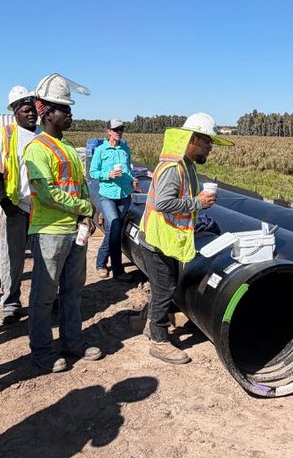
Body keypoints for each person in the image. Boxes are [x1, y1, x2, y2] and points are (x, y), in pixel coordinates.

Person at [23, 74, 103, 372]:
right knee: (44, 297)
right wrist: (84, 206)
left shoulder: (68, 146)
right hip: (50, 233)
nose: (70, 114)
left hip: (74, 231)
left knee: (73, 291)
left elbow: (79, 184)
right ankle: (42, 351)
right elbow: (45, 192)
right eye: (64, 109)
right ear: (47, 111)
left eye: (69, 109)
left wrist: (87, 213)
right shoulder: (37, 148)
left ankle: (72, 341)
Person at [139, 113, 231, 364]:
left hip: (169, 238)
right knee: (165, 287)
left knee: (165, 286)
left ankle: (153, 326)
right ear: (192, 140)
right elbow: (164, 202)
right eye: (207, 143)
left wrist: (198, 206)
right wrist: (196, 203)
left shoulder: (186, 166)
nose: (209, 149)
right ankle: (158, 340)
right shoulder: (173, 167)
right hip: (158, 240)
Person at [0, 85, 38, 324]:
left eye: (33, 109)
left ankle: (44, 300)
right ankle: (10, 303)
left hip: (42, 209)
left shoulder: (43, 135)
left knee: (44, 258)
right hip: (16, 208)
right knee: (12, 258)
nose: (32, 114)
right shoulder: (4, 135)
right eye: (26, 109)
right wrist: (7, 205)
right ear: (15, 111)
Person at [89, 118, 138, 280]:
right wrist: (108, 175)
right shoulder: (101, 150)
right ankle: (115, 269)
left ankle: (102, 263)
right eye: (115, 129)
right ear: (108, 131)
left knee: (114, 231)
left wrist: (133, 179)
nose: (118, 132)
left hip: (124, 195)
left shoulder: (125, 148)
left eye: (121, 129)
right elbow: (93, 173)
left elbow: (128, 169)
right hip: (107, 196)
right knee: (115, 225)